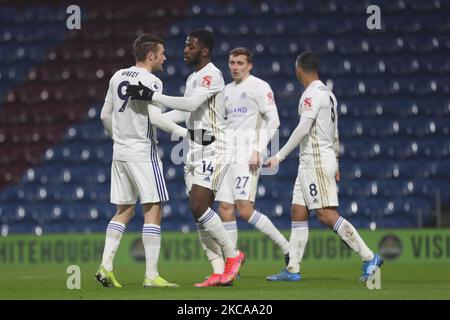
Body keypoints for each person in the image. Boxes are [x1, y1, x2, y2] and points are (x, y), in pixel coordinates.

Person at [126, 29, 245, 287]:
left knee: (198, 205)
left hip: (214, 147)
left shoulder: (212, 75)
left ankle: (233, 256)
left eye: (190, 46)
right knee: (199, 214)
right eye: (185, 45)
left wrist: (152, 96)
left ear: (204, 51)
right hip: (194, 150)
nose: (184, 50)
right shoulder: (193, 78)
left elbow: (189, 105)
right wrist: (152, 121)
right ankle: (217, 272)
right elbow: (184, 115)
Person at [265, 51, 383, 282]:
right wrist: (337, 162)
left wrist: (279, 156)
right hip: (312, 161)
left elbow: (303, 128)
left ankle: (369, 257)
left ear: (299, 69)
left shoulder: (310, 95)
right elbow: (335, 132)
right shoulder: (328, 94)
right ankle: (293, 269)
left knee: (325, 214)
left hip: (316, 161)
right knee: (298, 211)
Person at [96, 33, 188, 288]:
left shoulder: (117, 76)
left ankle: (105, 266)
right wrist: (186, 134)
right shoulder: (152, 81)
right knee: (154, 209)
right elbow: (156, 119)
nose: (165, 58)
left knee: (124, 210)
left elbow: (105, 115)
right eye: (162, 53)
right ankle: (151, 275)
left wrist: (119, 138)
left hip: (120, 152)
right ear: (151, 55)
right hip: (143, 153)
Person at [214, 47, 290, 274]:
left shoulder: (259, 87)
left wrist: (258, 149)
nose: (235, 67)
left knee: (245, 210)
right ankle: (232, 261)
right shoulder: (225, 91)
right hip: (227, 155)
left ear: (250, 65)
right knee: (225, 209)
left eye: (239, 63)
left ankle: (287, 248)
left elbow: (274, 121)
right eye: (232, 63)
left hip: (247, 155)